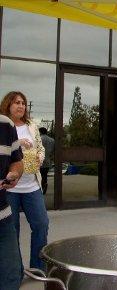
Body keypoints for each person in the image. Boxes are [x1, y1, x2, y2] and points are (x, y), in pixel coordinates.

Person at [0, 91, 49, 271]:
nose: (21, 106)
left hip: (31, 186)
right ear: (8, 105)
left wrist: (40, 158)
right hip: (10, 188)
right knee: (12, 231)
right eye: (16, 103)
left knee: (41, 225)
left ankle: (38, 268)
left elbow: (40, 147)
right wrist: (19, 142)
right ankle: (16, 271)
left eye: (23, 103)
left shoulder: (32, 126)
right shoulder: (3, 126)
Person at [0, 114, 24, 290]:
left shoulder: (5, 124)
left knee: (11, 276)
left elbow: (17, 161)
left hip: (3, 218)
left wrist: (15, 173)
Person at [39, 127, 54, 195]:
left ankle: (40, 188)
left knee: (39, 176)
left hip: (39, 160)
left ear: (40, 132)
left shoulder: (39, 139)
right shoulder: (52, 140)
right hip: (48, 160)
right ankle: (44, 184)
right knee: (44, 175)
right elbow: (54, 151)